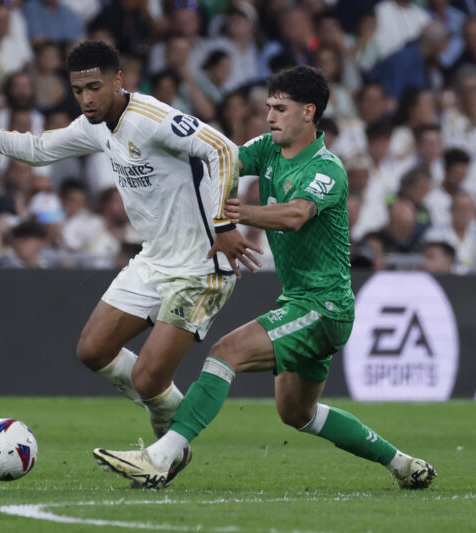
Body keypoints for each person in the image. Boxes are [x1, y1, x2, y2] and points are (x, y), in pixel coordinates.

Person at [93, 66, 436, 490]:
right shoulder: (268, 149)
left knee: (226, 352)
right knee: (298, 414)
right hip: (301, 302)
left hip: (324, 306)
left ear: (308, 112)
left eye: (280, 108)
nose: (269, 116)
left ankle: (162, 456)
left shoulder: (327, 169)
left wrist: (237, 215)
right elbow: (223, 162)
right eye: (268, 107)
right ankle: (402, 464)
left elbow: (296, 215)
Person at [0, 41, 260, 466]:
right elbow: (38, 149)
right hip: (154, 260)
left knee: (148, 378)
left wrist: (224, 224)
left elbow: (223, 150)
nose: (86, 98)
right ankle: (175, 435)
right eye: (78, 90)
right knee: (92, 350)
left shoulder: (151, 118)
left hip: (201, 265)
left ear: (118, 80)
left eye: (94, 87)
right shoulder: (94, 126)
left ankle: (166, 450)